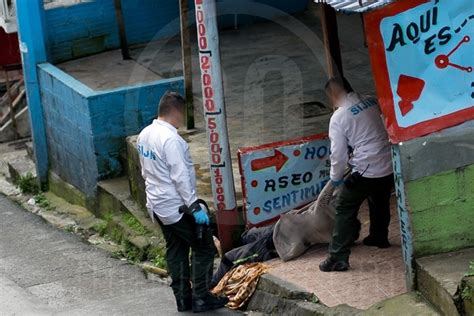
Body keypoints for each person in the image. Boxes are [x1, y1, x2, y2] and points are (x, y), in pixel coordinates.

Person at [137, 91, 228, 312]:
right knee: (204, 247)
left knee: (176, 248)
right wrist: (194, 206)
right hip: (177, 205)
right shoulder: (171, 140)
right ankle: (201, 296)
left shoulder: (144, 134)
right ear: (175, 112)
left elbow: (145, 172)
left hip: (157, 205)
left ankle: (183, 298)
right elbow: (180, 176)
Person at [319, 77, 394, 272]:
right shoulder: (371, 100)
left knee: (345, 206)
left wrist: (335, 179)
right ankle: (379, 236)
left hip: (367, 168)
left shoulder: (339, 117)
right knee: (380, 197)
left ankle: (337, 256)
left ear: (334, 95)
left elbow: (338, 154)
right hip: (389, 164)